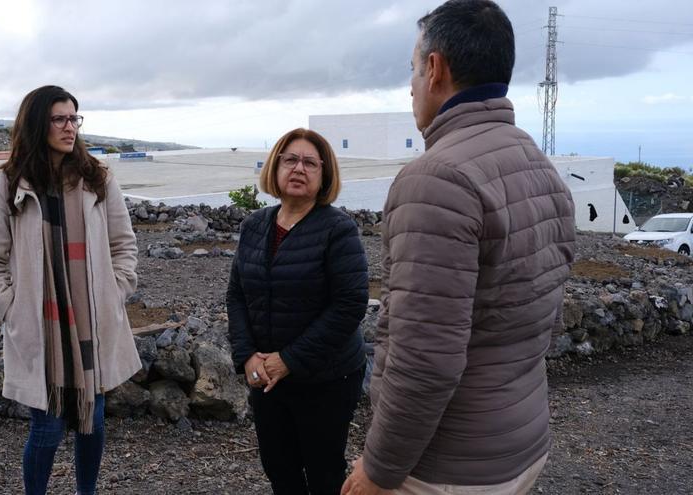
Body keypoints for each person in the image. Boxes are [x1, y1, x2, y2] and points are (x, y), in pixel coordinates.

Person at [342, 1, 576, 494]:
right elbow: (544, 315)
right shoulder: (535, 162)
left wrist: (378, 471)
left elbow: (425, 358)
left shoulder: (436, 179)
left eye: (411, 68)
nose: (409, 86)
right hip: (521, 439)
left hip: (448, 467)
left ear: (435, 68)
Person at [0, 85, 140, 495]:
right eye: (60, 119)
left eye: (74, 119)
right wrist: (9, 307)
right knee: (46, 426)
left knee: (93, 419)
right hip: (39, 321)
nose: (70, 128)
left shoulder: (98, 179)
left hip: (92, 320)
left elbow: (124, 244)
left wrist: (116, 290)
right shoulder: (7, 183)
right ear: (37, 124)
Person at [227, 128, 370, 494]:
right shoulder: (255, 225)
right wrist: (246, 357)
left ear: (324, 175)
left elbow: (350, 304)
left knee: (324, 474)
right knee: (279, 469)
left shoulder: (338, 230)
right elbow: (237, 295)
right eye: (290, 159)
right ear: (275, 168)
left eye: (310, 162)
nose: (299, 168)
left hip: (327, 377)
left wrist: (288, 359)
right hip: (267, 378)